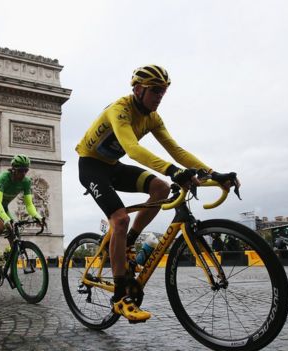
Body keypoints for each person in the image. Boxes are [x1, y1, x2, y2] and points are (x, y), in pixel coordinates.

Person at [75, 65, 239, 322]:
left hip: (113, 167)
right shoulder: (119, 109)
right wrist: (174, 171)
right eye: (155, 91)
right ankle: (120, 296)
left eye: (163, 91)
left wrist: (213, 173)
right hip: (91, 166)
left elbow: (176, 150)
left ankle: (130, 241)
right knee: (119, 219)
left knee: (161, 188)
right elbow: (132, 149)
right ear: (138, 90)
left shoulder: (153, 118)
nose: (160, 96)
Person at [0, 154, 45, 270]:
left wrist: (38, 216)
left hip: (3, 209)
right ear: (14, 169)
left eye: (26, 170)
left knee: (14, 235)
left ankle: (11, 269)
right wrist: (5, 219)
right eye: (21, 170)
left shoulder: (26, 182)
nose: (24, 174)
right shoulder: (3, 177)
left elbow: (29, 204)